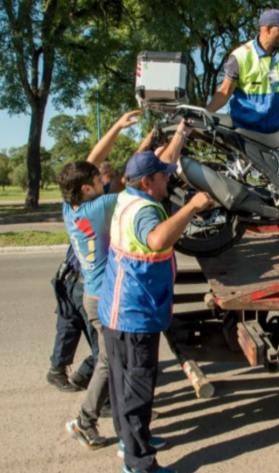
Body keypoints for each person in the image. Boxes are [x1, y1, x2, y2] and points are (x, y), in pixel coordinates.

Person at [98, 149, 214, 473]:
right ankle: (139, 464)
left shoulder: (126, 197)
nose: (168, 179)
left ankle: (130, 441)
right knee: (137, 391)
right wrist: (191, 207)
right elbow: (157, 239)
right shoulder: (145, 211)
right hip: (135, 316)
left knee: (123, 386)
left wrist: (179, 135)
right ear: (147, 182)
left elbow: (161, 159)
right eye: (162, 176)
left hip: (118, 312)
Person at [59, 110, 142, 449]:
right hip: (103, 298)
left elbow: (92, 161)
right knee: (110, 363)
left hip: (91, 294)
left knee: (110, 361)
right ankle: (85, 420)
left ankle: (92, 419)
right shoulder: (103, 206)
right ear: (87, 188)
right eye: (98, 180)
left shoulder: (71, 207)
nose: (104, 180)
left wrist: (117, 128)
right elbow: (139, 183)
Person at [206, 7, 279, 242]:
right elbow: (225, 91)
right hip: (248, 129)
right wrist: (205, 113)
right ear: (266, 29)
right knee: (243, 178)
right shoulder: (241, 56)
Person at [45, 246, 96, 392]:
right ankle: (93, 383)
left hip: (71, 275)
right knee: (103, 344)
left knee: (69, 325)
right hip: (79, 279)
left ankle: (63, 370)